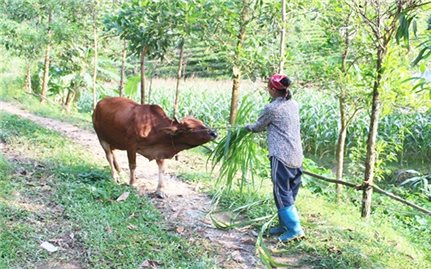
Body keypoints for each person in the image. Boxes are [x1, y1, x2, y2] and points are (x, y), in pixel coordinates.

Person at [245, 74, 305, 242]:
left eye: (268, 87)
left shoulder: (271, 108)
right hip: (297, 155)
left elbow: (257, 127)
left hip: (281, 156)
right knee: (290, 192)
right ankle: (284, 225)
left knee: (281, 192)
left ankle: (294, 229)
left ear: (272, 90)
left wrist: (245, 128)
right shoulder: (293, 104)